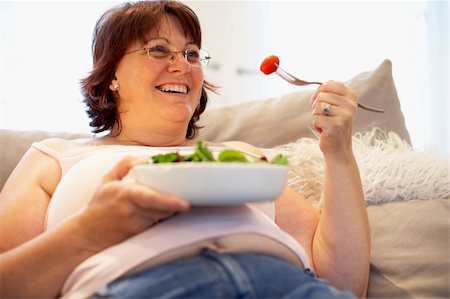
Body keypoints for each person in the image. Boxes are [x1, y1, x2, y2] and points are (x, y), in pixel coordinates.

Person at [0, 1, 370, 298]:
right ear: (111, 75)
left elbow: (342, 282)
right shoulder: (55, 157)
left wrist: (338, 152)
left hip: (284, 285)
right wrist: (88, 232)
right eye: (159, 50)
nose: (182, 65)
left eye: (192, 54)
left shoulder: (242, 157)